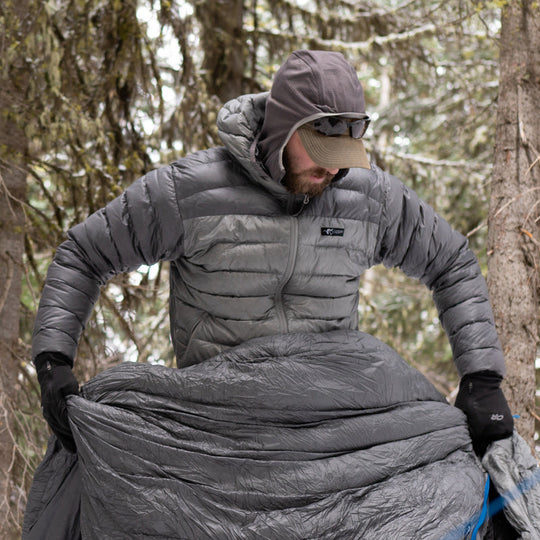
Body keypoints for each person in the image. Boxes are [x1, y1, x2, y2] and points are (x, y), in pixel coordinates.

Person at [33, 49, 513, 456]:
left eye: (344, 155)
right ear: (284, 131)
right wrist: (54, 361)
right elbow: (84, 252)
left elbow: (451, 262)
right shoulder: (187, 193)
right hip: (216, 421)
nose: (334, 172)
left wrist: (482, 378)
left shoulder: (372, 201)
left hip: (330, 419)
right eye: (322, 154)